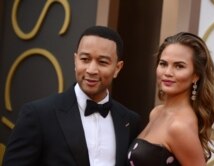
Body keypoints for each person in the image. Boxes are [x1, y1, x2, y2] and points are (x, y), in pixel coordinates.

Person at [3, 25, 141, 166]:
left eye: (102, 62)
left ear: (117, 68)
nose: (91, 70)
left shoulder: (130, 121)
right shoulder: (38, 115)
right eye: (85, 59)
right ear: (75, 60)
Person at [127, 32, 214, 166]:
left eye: (179, 66)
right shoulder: (157, 112)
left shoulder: (179, 127)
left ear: (195, 75)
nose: (167, 72)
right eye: (163, 64)